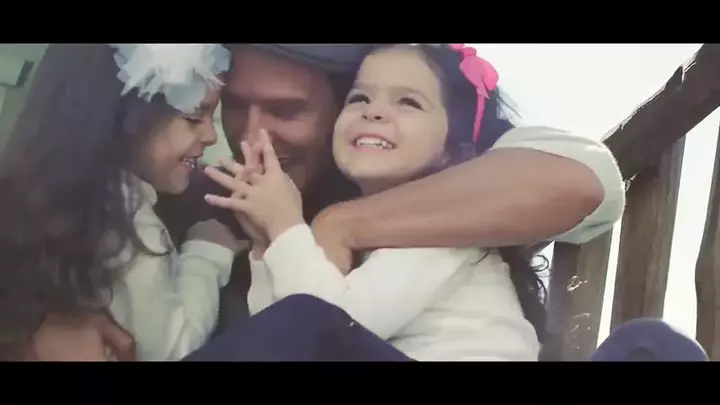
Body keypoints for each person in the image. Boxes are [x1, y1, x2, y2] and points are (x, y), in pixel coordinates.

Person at [28, 43, 628, 360]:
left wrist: (340, 224)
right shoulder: (189, 198)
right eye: (233, 107)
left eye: (287, 110)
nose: (252, 135)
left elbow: (586, 182)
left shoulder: (440, 206)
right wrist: (40, 323)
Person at [204, 44, 541, 361]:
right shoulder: (374, 226)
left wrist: (285, 227)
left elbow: (324, 329)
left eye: (408, 102)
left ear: (453, 152)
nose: (374, 112)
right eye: (360, 98)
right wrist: (265, 243)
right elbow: (278, 333)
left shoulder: (438, 232)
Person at [0, 44, 245, 361]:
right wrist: (206, 254)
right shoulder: (127, 221)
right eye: (194, 115)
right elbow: (170, 348)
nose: (211, 135)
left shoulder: (36, 196)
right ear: (122, 117)